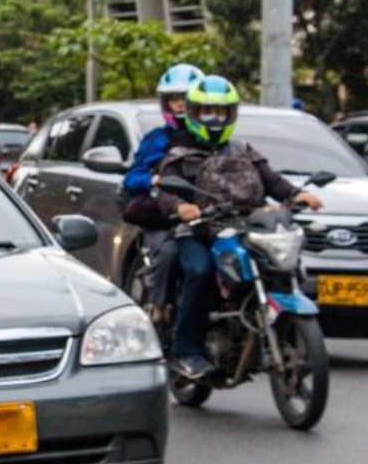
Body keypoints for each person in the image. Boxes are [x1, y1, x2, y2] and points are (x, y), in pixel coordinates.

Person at [156, 75, 323, 379]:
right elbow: (165, 193)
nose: (214, 119)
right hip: (197, 232)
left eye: (221, 112)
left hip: (243, 229)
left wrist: (298, 195)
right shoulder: (178, 152)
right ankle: (187, 350)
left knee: (279, 268)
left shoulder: (242, 149)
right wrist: (181, 207)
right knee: (200, 271)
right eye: (207, 112)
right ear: (193, 113)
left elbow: (272, 181)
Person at [121, 64, 204, 327]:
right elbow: (132, 179)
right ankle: (160, 307)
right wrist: (154, 180)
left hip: (206, 217)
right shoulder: (156, 139)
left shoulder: (212, 139)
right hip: (164, 217)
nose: (180, 105)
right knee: (168, 253)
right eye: (174, 99)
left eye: (186, 99)